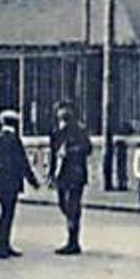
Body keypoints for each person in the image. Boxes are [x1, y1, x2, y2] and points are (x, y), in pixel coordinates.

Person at [0, 109, 39, 258]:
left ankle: (3, 244)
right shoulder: (14, 140)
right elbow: (22, 162)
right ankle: (0, 246)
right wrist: (32, 180)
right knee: (7, 214)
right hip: (11, 182)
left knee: (5, 213)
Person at [49, 101, 91, 255]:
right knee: (62, 204)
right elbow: (53, 154)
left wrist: (71, 151)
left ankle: (73, 241)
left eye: (66, 112)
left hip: (75, 173)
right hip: (61, 174)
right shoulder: (56, 132)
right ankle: (72, 227)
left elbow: (87, 149)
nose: (63, 114)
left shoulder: (79, 130)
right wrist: (51, 174)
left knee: (73, 206)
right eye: (60, 112)